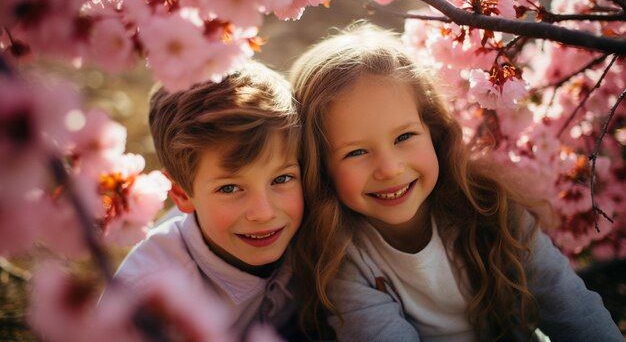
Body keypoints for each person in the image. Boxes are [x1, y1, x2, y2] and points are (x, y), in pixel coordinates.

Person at [289, 22, 623, 342]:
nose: (389, 169)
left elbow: (571, 308)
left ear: (433, 131)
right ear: (321, 168)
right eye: (356, 152)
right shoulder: (343, 258)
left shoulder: (489, 207)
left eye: (404, 136)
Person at [113, 61, 304, 340]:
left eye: (281, 179)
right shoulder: (146, 302)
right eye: (229, 188)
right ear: (181, 194)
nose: (263, 213)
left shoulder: (316, 224)